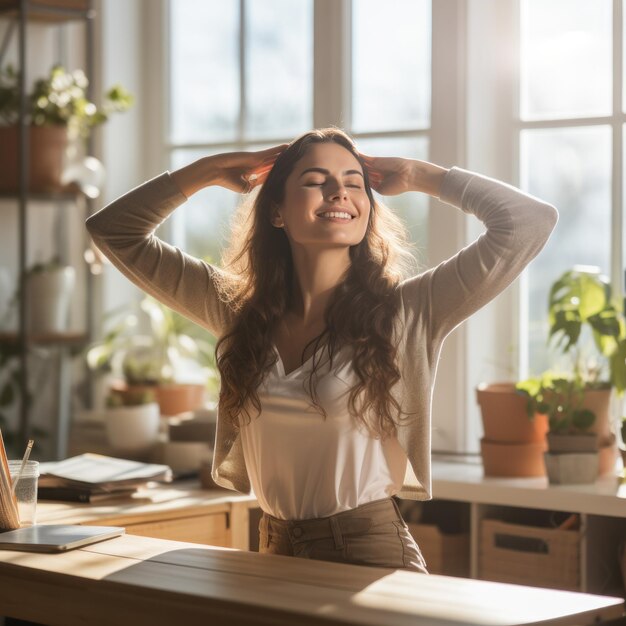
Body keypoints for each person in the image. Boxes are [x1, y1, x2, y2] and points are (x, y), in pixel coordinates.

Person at [86, 127, 557, 573]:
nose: (339, 193)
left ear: (368, 209)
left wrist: (423, 177)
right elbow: (115, 231)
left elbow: (528, 223)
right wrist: (206, 171)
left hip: (369, 552)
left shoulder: (408, 310)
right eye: (316, 181)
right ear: (276, 211)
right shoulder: (235, 309)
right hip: (272, 548)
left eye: (354, 184)